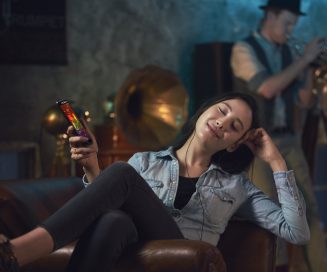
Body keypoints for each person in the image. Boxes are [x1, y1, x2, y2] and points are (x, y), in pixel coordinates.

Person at [0, 92, 310, 272]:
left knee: (121, 174)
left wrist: (276, 161)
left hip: (183, 262)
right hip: (136, 256)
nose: (222, 123)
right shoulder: (144, 163)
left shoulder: (237, 187)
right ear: (204, 112)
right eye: (222, 111)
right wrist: (92, 163)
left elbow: (297, 231)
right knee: (113, 220)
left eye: (234, 126)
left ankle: (15, 253)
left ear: (233, 144)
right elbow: (104, 203)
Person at [230, 0, 327, 271]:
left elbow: (305, 100)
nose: (290, 30)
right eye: (287, 23)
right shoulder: (243, 49)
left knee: (308, 209)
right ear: (270, 15)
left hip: (289, 141)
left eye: (294, 25)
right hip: (256, 144)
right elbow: (266, 89)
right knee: (272, 214)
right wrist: (305, 59)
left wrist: (311, 69)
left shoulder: (290, 53)